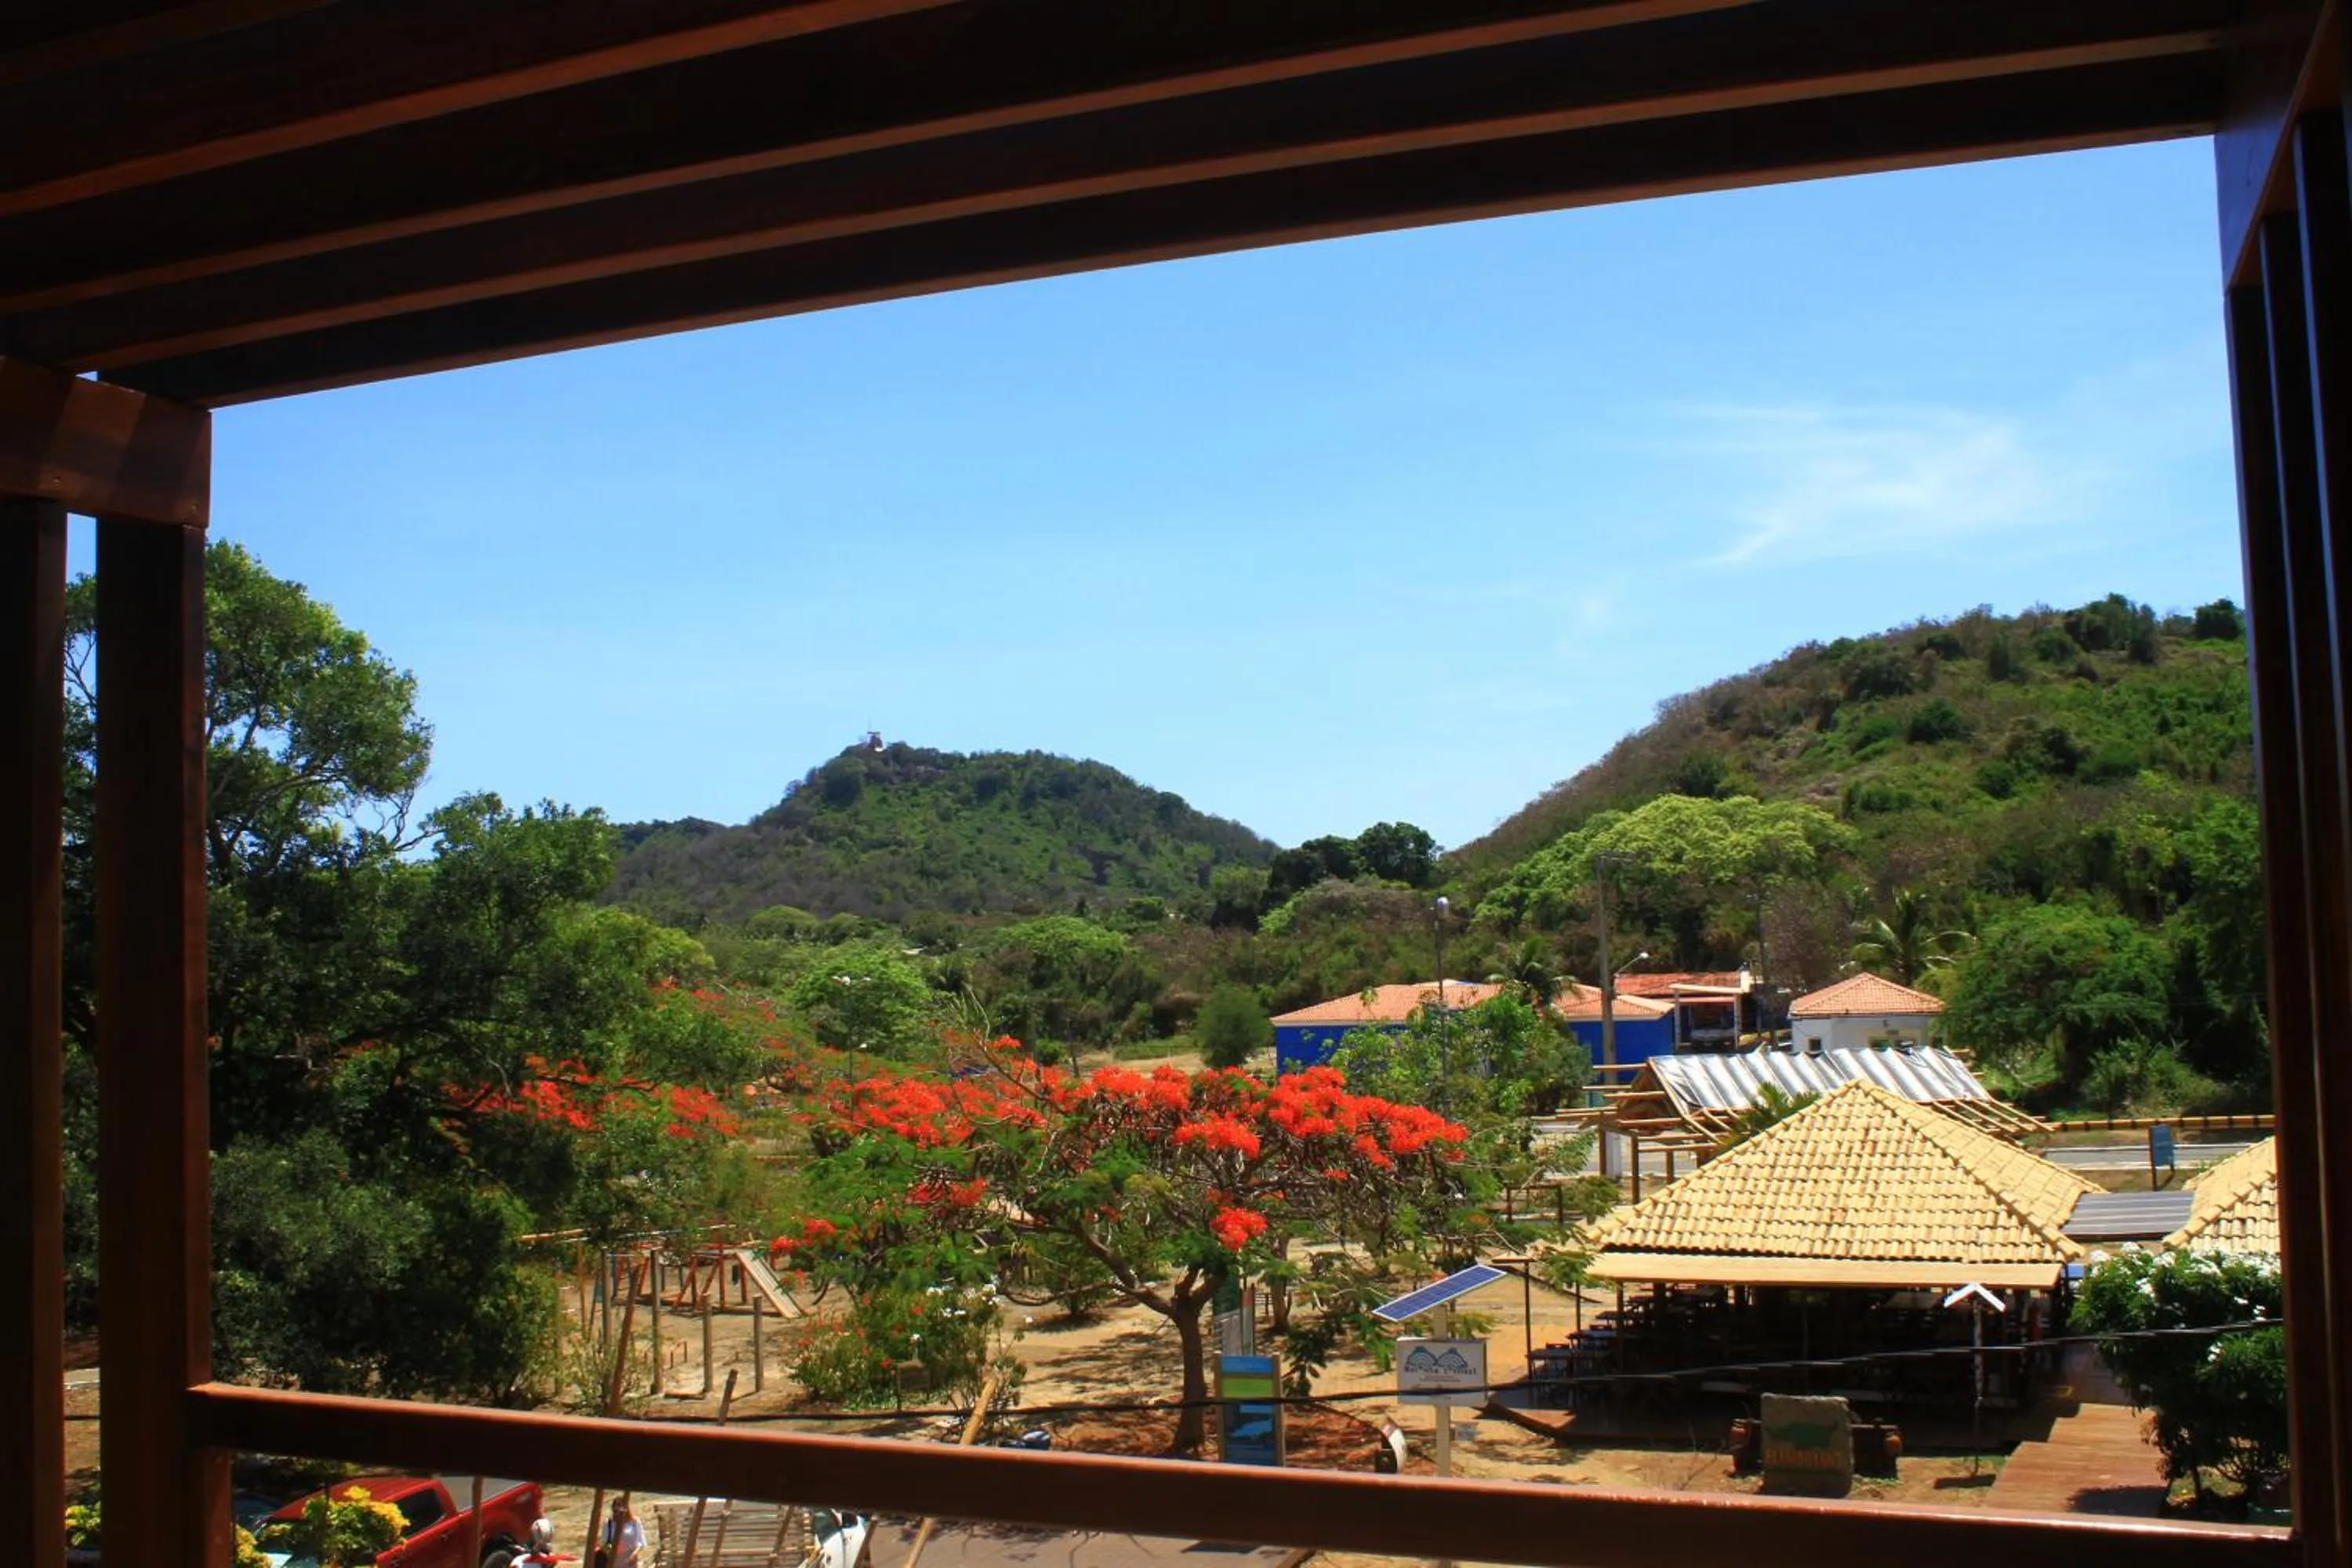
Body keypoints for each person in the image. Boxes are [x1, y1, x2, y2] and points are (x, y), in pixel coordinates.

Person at [604, 1498, 645, 1568]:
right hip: (615, 1561)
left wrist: (634, 1555)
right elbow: (605, 1544)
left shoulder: (634, 1522)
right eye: (615, 1511)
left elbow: (640, 1542)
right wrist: (611, 1551)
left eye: (619, 1511)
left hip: (630, 1561)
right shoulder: (609, 1523)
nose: (617, 1513)